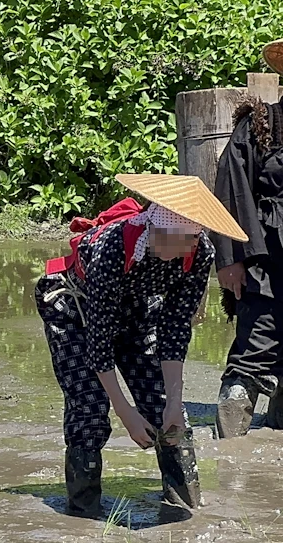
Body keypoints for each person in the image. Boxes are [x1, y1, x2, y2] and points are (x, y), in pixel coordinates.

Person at [36, 174, 247, 518]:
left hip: (135, 308)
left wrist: (175, 403)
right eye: (178, 244)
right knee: (89, 407)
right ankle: (83, 510)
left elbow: (175, 329)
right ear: (156, 232)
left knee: (162, 402)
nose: (183, 253)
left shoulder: (199, 252)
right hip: (73, 308)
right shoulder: (113, 247)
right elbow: (99, 342)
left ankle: (185, 501)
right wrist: (126, 413)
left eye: (191, 244)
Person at [211, 40, 283, 437]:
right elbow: (231, 189)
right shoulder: (260, 124)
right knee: (252, 351)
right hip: (264, 259)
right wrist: (229, 259)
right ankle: (230, 462)